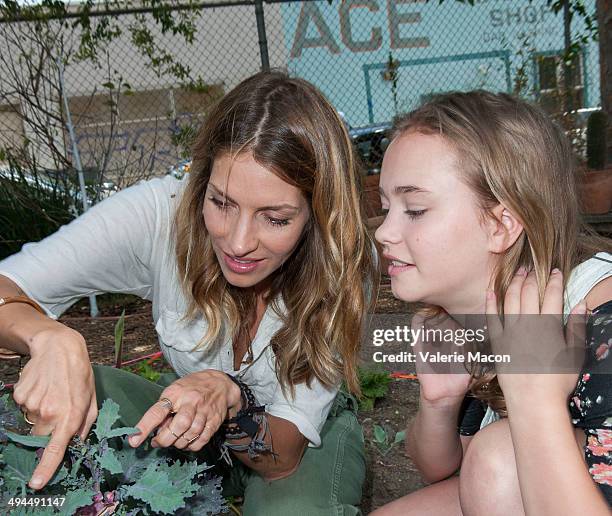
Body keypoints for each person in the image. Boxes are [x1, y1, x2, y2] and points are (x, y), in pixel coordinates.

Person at [0, 71, 378, 514]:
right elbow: (10, 285)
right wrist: (48, 337)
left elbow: (280, 457)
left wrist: (231, 400)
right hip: (187, 415)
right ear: (202, 181)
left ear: (318, 214)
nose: (237, 243)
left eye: (275, 219)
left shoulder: (344, 259)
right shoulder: (160, 214)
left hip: (287, 442)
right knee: (73, 391)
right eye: (221, 202)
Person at [370, 90, 612, 515]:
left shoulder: (599, 318)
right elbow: (443, 471)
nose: (383, 232)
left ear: (501, 225)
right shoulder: (484, 310)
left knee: (500, 461)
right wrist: (439, 403)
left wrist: (534, 396)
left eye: (415, 209)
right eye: (387, 207)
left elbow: (491, 474)